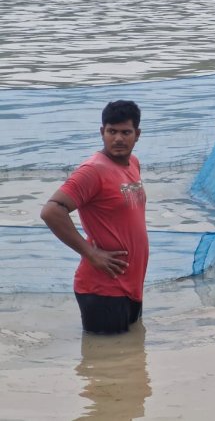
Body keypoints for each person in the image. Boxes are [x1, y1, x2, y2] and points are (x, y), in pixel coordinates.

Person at [41, 100, 148, 334]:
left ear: (137, 134)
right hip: (102, 288)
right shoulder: (93, 171)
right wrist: (90, 253)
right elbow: (51, 211)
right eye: (112, 131)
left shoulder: (134, 164)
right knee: (106, 364)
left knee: (126, 359)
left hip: (131, 283)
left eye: (125, 132)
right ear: (102, 132)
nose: (118, 138)